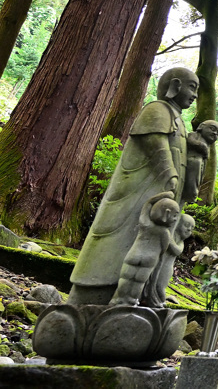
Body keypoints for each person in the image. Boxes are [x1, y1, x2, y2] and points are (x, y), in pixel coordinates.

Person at [68, 67, 199, 305]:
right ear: (176, 85)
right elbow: (156, 143)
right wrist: (170, 174)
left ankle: (140, 298)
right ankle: (93, 298)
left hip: (161, 195)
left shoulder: (179, 120)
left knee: (149, 249)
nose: (195, 95)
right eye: (192, 87)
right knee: (120, 241)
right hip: (137, 195)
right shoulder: (157, 110)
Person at [109, 193, 180, 306]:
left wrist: (161, 196)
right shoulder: (164, 233)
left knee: (126, 277)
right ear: (166, 214)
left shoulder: (145, 225)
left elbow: (147, 205)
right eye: (175, 215)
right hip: (150, 259)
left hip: (133, 255)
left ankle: (118, 299)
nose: (176, 219)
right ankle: (131, 300)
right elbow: (163, 249)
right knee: (139, 281)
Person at [183, 120, 218, 205]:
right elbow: (190, 140)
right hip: (191, 161)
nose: (215, 133)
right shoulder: (194, 135)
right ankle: (189, 194)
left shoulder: (208, 145)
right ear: (201, 126)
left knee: (196, 180)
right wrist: (200, 145)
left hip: (199, 166)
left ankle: (191, 196)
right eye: (212, 129)